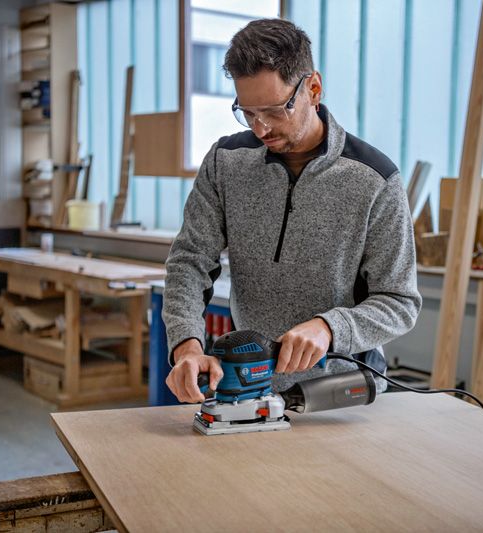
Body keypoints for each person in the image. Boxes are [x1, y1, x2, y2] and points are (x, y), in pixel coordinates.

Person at [163, 18, 421, 403]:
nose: (261, 128)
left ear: (313, 89)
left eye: (273, 110)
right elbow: (189, 261)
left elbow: (400, 302)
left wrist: (329, 327)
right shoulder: (225, 162)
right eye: (247, 112)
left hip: (340, 390)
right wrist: (186, 344)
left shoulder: (375, 180)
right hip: (248, 384)